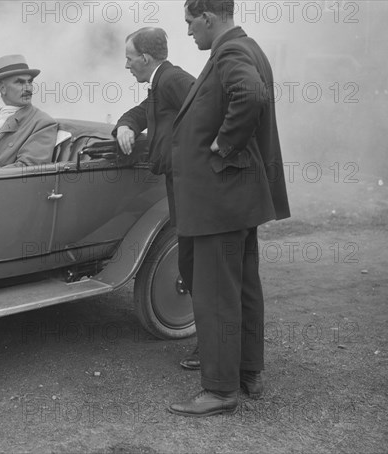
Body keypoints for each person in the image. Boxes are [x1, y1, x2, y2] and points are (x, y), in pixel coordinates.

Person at [168, 0, 290, 417]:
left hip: (220, 198)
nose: (188, 33)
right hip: (237, 197)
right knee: (242, 287)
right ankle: (247, 371)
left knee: (216, 293)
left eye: (189, 23)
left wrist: (225, 143)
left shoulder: (231, 51)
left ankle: (220, 390)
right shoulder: (246, 46)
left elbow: (250, 94)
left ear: (207, 17)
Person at [112, 27, 199, 368]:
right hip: (180, 182)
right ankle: (208, 346)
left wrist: (184, 156)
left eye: (129, 59)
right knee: (191, 262)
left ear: (145, 58)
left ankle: (210, 348)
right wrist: (125, 126)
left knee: (198, 265)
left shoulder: (175, 79)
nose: (127, 65)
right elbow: (142, 110)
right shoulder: (160, 82)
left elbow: (209, 116)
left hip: (191, 184)